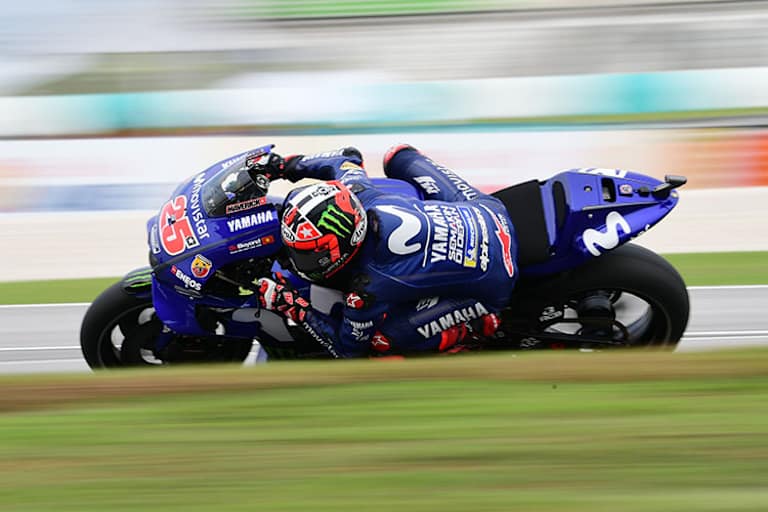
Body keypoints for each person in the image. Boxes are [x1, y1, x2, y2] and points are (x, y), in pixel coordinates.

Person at [255, 145, 518, 358]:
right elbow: (347, 158)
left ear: (344, 246)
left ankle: (473, 327)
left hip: (495, 279)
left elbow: (347, 349)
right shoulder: (359, 192)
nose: (295, 258)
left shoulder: (366, 288)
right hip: (488, 211)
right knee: (397, 155)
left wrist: (293, 306)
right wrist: (285, 166)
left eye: (308, 253)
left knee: (383, 342)